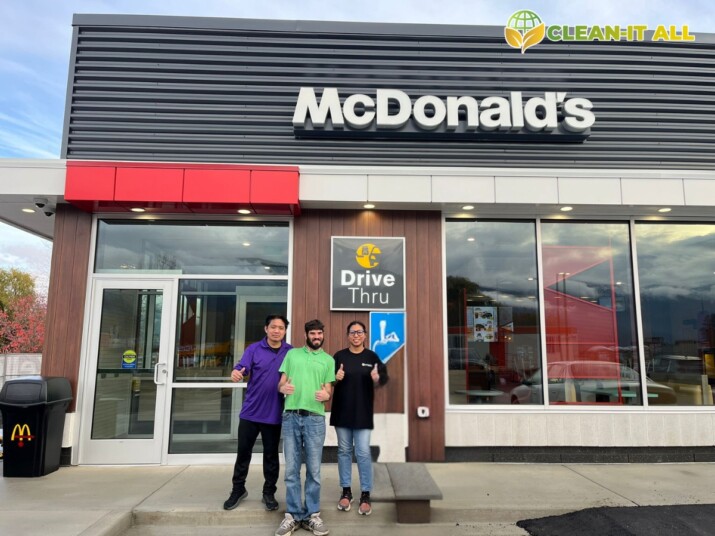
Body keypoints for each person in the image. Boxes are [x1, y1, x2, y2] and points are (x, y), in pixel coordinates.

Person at [223, 315, 292, 512]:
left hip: (274, 414)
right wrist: (235, 373)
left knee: (271, 456)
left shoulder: (291, 352)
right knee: (243, 453)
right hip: (250, 412)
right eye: (273, 327)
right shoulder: (254, 349)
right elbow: (240, 368)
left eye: (280, 327)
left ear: (285, 331)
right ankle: (238, 490)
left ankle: (268, 492)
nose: (276, 330)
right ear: (266, 329)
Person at [274, 319, 335, 536]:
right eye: (313, 334)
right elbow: (281, 382)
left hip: (315, 419)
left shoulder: (328, 360)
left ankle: (312, 516)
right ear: (306, 335)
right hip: (291, 417)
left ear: (322, 335)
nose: (316, 337)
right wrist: (284, 388)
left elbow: (328, 389)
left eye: (319, 333)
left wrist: (327, 395)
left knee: (314, 471)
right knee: (291, 470)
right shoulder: (292, 355)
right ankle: (292, 515)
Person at [330, 320, 388, 516]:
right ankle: (346, 492)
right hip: (342, 412)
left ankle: (365, 493)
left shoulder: (372, 356)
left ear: (365, 335)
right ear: (348, 336)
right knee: (344, 451)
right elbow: (327, 382)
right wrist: (334, 378)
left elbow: (384, 379)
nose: (356, 335)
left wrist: (376, 378)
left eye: (359, 332)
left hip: (363, 413)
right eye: (352, 332)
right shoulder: (339, 356)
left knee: (362, 453)